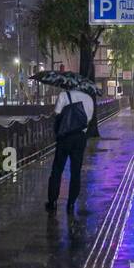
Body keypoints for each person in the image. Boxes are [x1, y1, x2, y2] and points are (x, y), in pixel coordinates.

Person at [46, 85, 95, 213]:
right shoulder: (88, 98)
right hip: (80, 137)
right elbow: (88, 119)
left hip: (64, 137)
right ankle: (71, 202)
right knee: (76, 170)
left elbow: (57, 113)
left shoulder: (63, 95)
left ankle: (52, 201)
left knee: (57, 169)